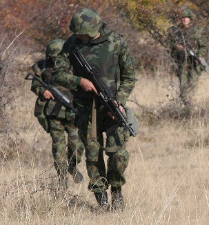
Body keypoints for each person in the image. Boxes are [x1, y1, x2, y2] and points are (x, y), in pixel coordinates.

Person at [52, 8, 136, 211]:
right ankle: (101, 196)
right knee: (92, 153)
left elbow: (129, 77)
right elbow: (57, 74)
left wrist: (119, 100)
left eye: (81, 32)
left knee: (118, 153)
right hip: (85, 108)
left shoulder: (117, 42)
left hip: (113, 106)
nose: (78, 36)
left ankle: (116, 191)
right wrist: (79, 81)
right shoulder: (72, 44)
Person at [30, 39, 85, 190]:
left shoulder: (75, 66)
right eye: (52, 57)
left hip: (73, 111)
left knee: (77, 145)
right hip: (53, 112)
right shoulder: (42, 66)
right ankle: (61, 177)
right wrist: (42, 91)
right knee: (58, 146)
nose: (55, 60)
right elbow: (35, 84)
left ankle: (72, 166)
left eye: (58, 56)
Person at [166, 8, 207, 108]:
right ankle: (186, 105)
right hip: (181, 62)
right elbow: (169, 43)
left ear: (190, 19)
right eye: (183, 17)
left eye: (187, 17)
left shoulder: (197, 31)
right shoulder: (174, 30)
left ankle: (191, 106)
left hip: (193, 62)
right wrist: (177, 46)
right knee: (183, 86)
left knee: (193, 84)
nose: (184, 19)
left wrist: (200, 56)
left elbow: (203, 46)